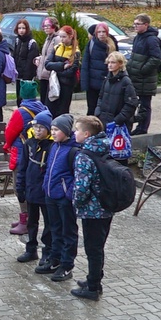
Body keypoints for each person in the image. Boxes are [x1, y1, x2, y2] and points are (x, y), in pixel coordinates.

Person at [71, 115, 114, 301]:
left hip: (92, 210)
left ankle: (93, 288)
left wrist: (76, 204)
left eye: (77, 130)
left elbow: (81, 188)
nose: (74, 133)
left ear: (86, 134)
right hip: (107, 206)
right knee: (99, 246)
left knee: (93, 249)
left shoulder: (84, 156)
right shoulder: (105, 147)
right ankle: (94, 279)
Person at [2, 83, 49, 236]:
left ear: (21, 94)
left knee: (19, 186)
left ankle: (25, 221)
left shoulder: (20, 112)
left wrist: (7, 145)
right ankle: (27, 219)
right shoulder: (44, 109)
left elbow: (10, 132)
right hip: (38, 153)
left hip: (22, 153)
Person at [40, 114, 79, 282]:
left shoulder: (73, 150)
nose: (53, 133)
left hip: (64, 198)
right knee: (54, 229)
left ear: (66, 131)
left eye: (56, 130)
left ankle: (67, 264)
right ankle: (55, 260)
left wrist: (67, 194)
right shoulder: (54, 147)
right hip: (50, 195)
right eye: (52, 129)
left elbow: (77, 175)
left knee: (68, 231)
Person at [16, 111, 54, 266]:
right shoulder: (29, 144)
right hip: (31, 190)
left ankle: (48, 251)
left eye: (42, 128)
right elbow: (22, 167)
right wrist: (20, 187)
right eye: (36, 127)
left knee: (49, 223)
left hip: (45, 192)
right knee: (32, 222)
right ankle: (31, 249)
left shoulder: (52, 146)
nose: (38, 130)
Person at [128, 13, 161, 135]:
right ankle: (137, 127)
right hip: (136, 77)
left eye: (138, 24)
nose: (135, 26)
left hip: (145, 78)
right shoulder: (138, 37)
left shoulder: (151, 39)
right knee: (136, 103)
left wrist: (142, 70)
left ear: (146, 25)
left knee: (144, 104)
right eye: (134, 23)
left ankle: (142, 128)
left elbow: (156, 58)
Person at [43, 25, 80, 117]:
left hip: (66, 85)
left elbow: (71, 72)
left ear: (70, 37)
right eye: (60, 36)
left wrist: (55, 70)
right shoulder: (57, 47)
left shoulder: (75, 52)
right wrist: (62, 66)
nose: (61, 39)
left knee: (62, 110)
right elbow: (47, 64)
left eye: (64, 37)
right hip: (54, 83)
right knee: (50, 108)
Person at [95, 52, 138, 129]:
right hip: (104, 121)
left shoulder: (126, 81)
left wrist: (117, 120)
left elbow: (131, 104)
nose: (110, 65)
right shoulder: (107, 80)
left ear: (120, 64)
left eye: (113, 62)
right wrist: (98, 112)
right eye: (109, 62)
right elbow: (100, 97)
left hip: (118, 124)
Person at [81, 23, 116, 116]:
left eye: (103, 32)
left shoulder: (113, 44)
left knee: (105, 110)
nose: (101, 34)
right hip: (93, 83)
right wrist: (85, 83)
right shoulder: (91, 44)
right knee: (92, 108)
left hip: (107, 83)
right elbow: (85, 64)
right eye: (99, 32)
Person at [10, 19, 39, 106]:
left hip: (27, 77)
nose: (21, 30)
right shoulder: (17, 40)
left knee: (25, 98)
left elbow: (31, 62)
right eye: (19, 28)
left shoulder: (31, 43)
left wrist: (26, 77)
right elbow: (15, 56)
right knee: (18, 98)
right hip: (18, 74)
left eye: (23, 28)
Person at [34, 17, 62, 103]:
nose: (45, 28)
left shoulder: (57, 39)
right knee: (43, 99)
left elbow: (56, 56)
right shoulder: (47, 38)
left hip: (50, 74)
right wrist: (38, 58)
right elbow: (45, 55)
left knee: (48, 100)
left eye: (48, 26)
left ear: (54, 26)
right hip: (43, 73)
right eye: (44, 26)